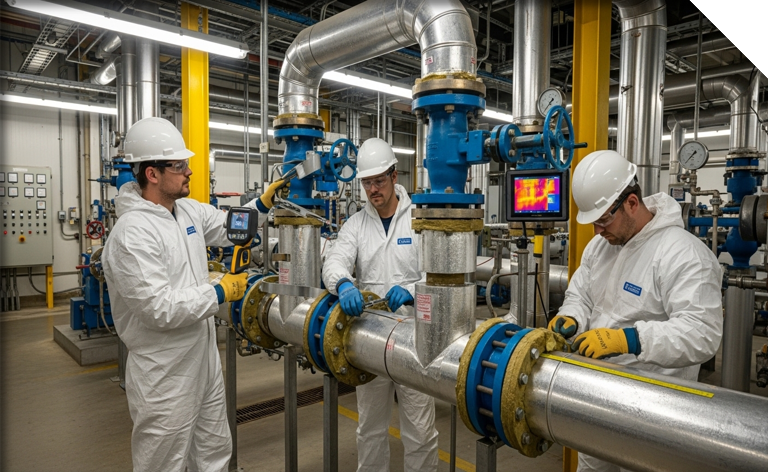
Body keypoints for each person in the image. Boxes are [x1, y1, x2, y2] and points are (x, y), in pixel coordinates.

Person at [102, 117, 285, 472]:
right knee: (164, 463)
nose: (189, 171)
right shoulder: (132, 234)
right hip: (163, 371)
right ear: (152, 174)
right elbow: (159, 308)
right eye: (179, 165)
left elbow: (230, 225)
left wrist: (261, 204)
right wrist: (220, 290)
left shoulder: (186, 210)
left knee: (214, 451)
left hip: (203, 358)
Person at [548, 150, 723, 472]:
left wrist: (630, 340)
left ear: (631, 202)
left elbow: (702, 333)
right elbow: (581, 295)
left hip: (655, 406)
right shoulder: (600, 246)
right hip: (596, 393)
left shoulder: (683, 254)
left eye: (603, 219)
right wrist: (571, 317)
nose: (598, 231)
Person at [322, 137, 439, 472]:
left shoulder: (419, 220)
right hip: (370, 339)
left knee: (419, 430)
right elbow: (334, 261)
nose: (373, 189)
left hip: (413, 340)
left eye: (379, 181)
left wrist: (414, 292)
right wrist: (343, 283)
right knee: (370, 428)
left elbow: (437, 275)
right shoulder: (357, 225)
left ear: (394, 176)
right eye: (367, 183)